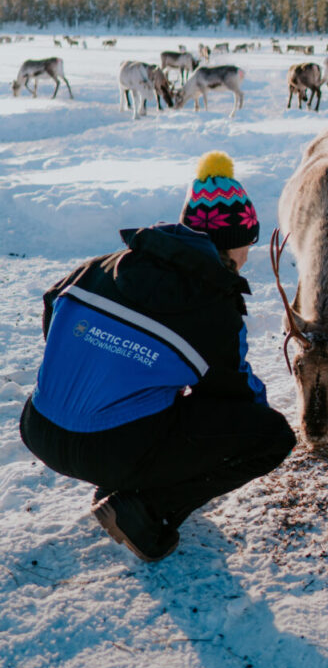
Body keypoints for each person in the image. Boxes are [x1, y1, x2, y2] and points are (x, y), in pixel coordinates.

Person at [19, 151, 296, 562]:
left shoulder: (99, 266)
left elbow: (52, 309)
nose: (248, 257)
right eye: (247, 245)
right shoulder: (213, 308)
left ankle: (126, 473)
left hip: (38, 425)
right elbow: (235, 395)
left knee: (164, 394)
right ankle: (147, 509)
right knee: (271, 437)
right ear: (233, 245)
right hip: (110, 447)